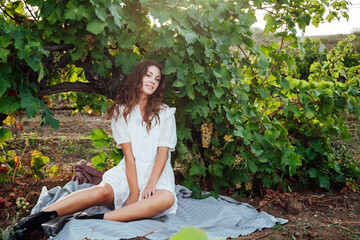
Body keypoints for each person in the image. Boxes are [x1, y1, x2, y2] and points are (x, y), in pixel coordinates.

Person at [8, 60, 178, 240]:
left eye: (157, 79)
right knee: (101, 192)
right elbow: (129, 157)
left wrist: (151, 184)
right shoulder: (123, 112)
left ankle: (89, 217)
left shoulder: (165, 113)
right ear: (139, 77)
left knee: (167, 200)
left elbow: (163, 153)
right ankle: (32, 221)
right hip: (130, 171)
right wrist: (134, 192)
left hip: (157, 175)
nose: (152, 81)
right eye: (148, 75)